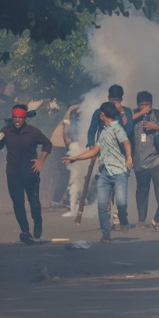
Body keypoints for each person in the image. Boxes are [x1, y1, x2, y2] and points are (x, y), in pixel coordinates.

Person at [63, 103, 133, 242]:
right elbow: (94, 151)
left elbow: (126, 143)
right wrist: (75, 158)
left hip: (119, 172)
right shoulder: (104, 132)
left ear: (102, 115)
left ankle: (123, 220)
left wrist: (129, 157)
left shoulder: (118, 129)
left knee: (121, 203)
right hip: (104, 173)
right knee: (102, 205)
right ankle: (106, 233)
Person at [0, 104, 52, 244]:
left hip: (31, 173)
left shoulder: (33, 132)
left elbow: (47, 144)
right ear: (12, 117)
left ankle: (37, 222)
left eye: (20, 118)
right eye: (15, 117)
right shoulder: (6, 131)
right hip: (13, 173)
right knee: (18, 203)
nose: (17, 120)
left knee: (34, 203)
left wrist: (40, 160)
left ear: (25, 118)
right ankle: (25, 231)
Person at [130, 91, 159, 228]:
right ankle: (141, 219)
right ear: (137, 105)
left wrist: (156, 127)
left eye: (148, 104)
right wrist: (141, 114)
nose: (146, 107)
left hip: (157, 159)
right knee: (142, 190)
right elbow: (123, 124)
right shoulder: (133, 115)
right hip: (139, 160)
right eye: (143, 105)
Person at [48, 104, 79, 210]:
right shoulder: (71, 113)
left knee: (72, 171)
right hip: (59, 144)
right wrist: (68, 139)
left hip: (64, 145)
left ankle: (68, 200)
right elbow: (66, 130)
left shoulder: (76, 113)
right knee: (65, 172)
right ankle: (55, 202)